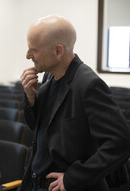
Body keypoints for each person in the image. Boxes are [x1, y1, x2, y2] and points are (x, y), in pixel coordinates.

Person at [20, 14, 130, 191]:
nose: (27, 55)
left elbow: (120, 142)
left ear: (58, 51)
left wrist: (74, 177)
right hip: (36, 182)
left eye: (34, 49)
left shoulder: (89, 84)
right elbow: (40, 129)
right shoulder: (49, 77)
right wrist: (31, 99)